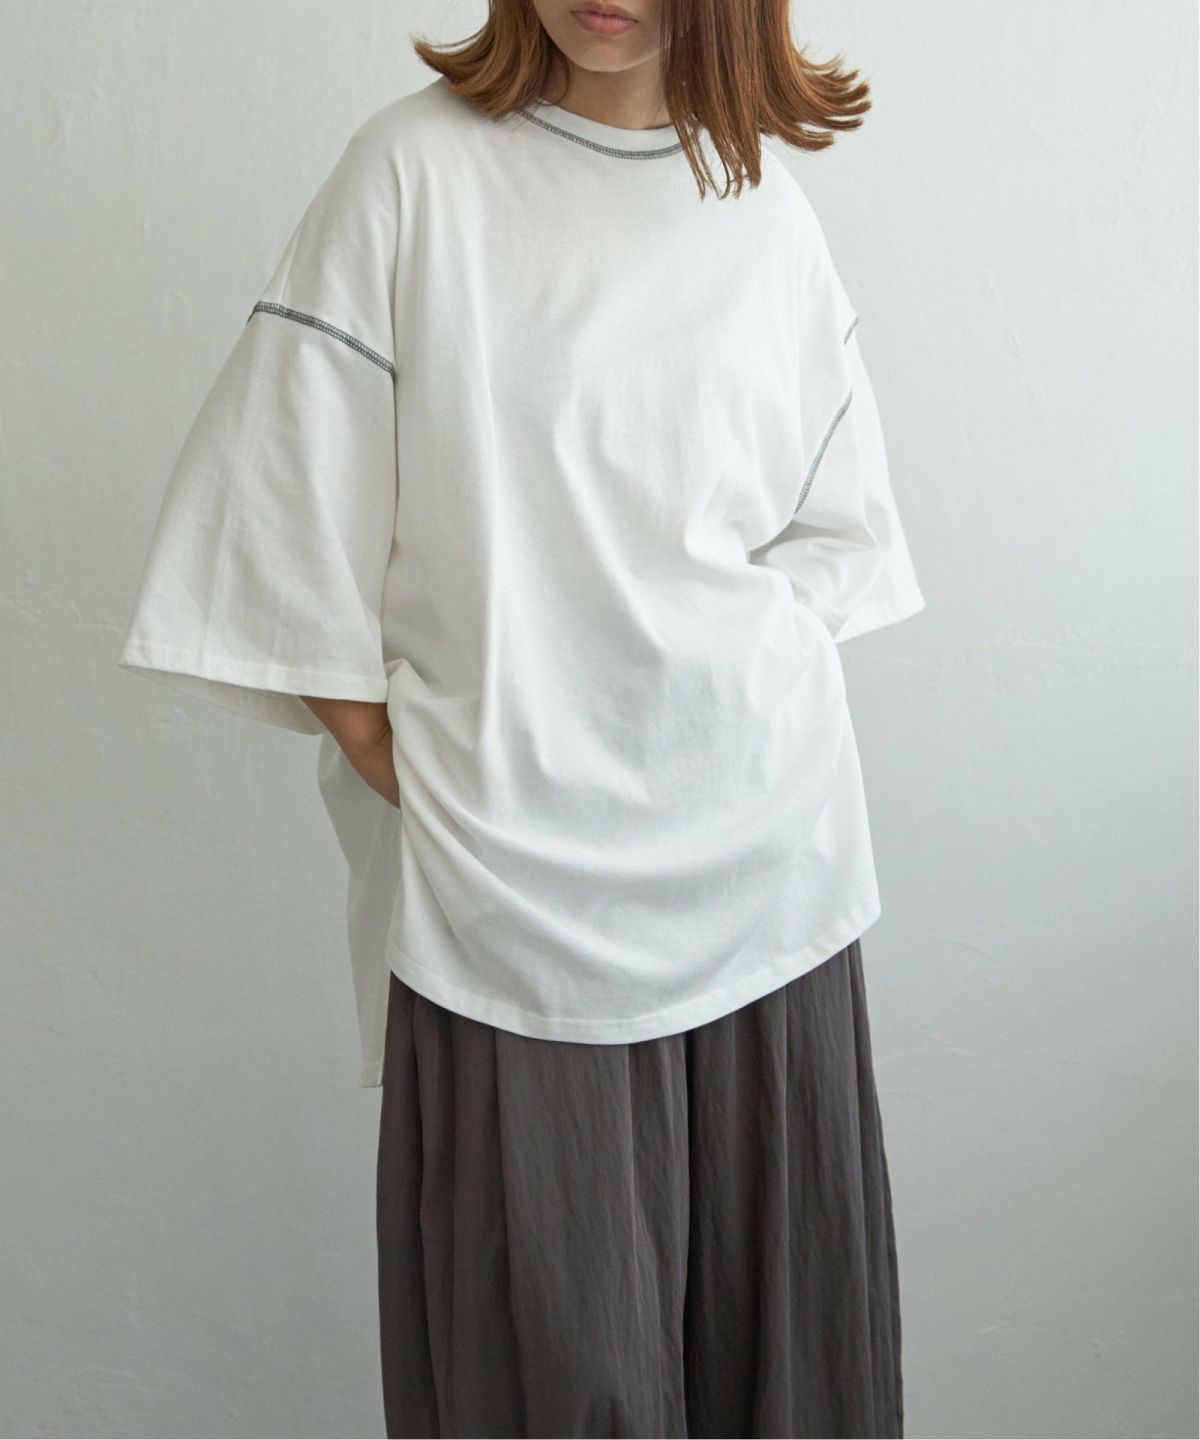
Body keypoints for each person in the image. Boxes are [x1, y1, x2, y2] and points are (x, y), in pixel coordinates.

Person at [118, 0, 926, 1434]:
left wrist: (720, 694)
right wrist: (418, 762)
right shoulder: (412, 174)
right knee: (554, 1375)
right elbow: (278, 511)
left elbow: (836, 530)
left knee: (789, 1374)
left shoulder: (761, 207)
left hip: (771, 883)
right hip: (512, 902)